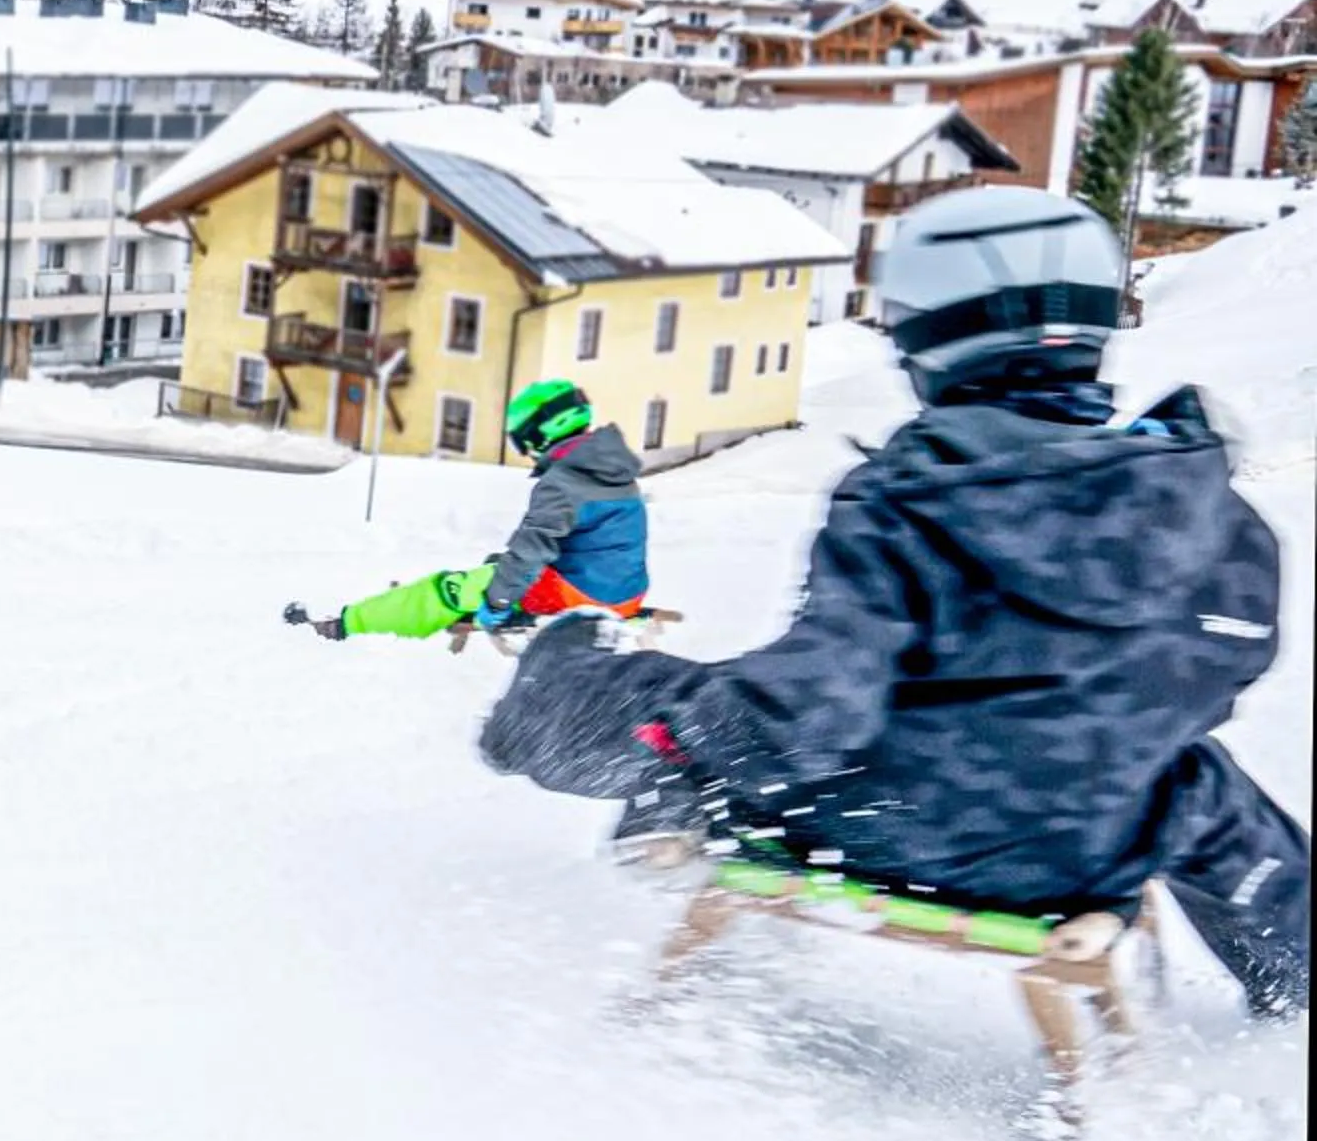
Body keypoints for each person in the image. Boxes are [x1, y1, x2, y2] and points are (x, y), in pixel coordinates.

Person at [475, 186, 1307, 1018]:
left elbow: (809, 710)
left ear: (933, 340)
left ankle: (569, 726)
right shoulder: (1207, 513)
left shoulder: (908, 498)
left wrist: (688, 750)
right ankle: (1294, 981)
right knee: (1199, 781)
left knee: (671, 692)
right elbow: (1221, 670)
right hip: (1087, 851)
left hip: (885, 824)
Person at [302, 379, 648, 640]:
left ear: (541, 430)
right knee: (498, 567)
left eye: (524, 440)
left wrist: (497, 604)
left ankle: (350, 623)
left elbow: (529, 552)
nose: (528, 451)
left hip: (579, 599)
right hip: (624, 596)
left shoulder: (563, 482)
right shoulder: (614, 470)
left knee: (449, 589)